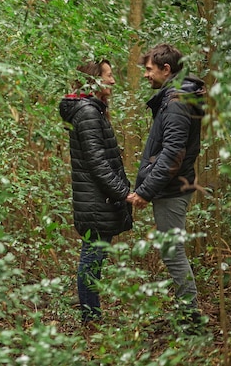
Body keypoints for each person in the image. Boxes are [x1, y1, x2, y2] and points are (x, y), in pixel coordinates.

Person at [127, 43, 206, 329]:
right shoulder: (174, 99)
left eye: (149, 70)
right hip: (171, 188)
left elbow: (173, 155)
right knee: (173, 252)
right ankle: (187, 313)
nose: (146, 75)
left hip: (172, 191)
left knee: (173, 253)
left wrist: (146, 191)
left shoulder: (176, 102)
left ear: (166, 69)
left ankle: (191, 320)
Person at [59, 59, 133, 324]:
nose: (113, 80)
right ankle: (90, 320)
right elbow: (98, 163)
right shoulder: (89, 113)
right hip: (95, 201)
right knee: (91, 259)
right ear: (94, 80)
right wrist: (123, 193)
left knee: (94, 258)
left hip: (96, 199)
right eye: (109, 75)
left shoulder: (92, 111)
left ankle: (92, 316)